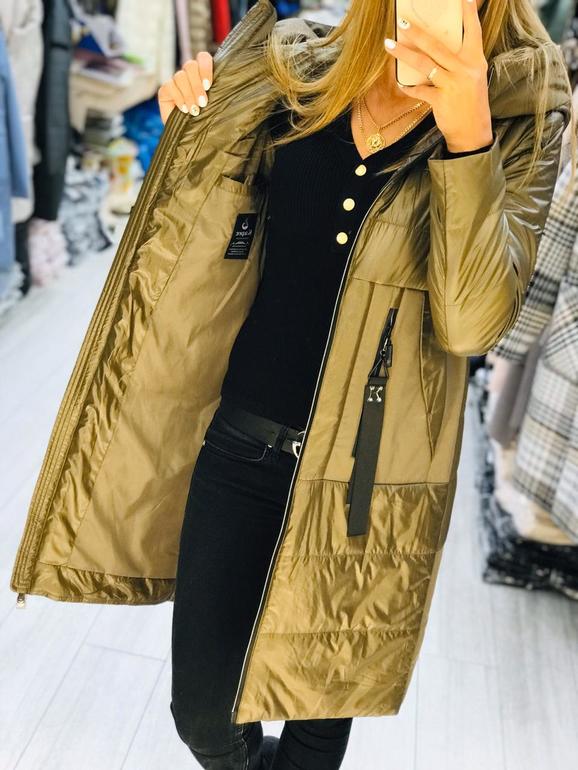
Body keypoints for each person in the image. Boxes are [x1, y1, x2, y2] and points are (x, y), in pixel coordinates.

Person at [9, 1, 573, 769]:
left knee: (313, 725)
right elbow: (210, 240)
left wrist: (469, 135)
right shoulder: (299, 64)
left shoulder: (523, 107)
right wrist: (193, 128)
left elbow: (475, 324)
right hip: (243, 439)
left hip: (369, 483)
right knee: (202, 715)